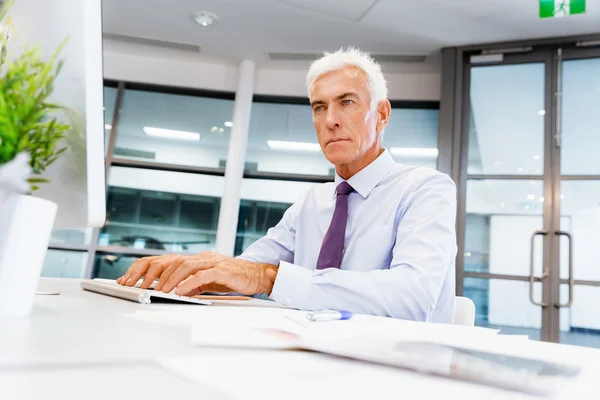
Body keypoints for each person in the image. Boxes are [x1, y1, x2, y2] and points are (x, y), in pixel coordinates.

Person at [117, 47, 457, 323]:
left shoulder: (426, 189)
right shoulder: (313, 201)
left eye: (346, 102)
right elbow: (244, 274)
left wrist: (268, 277)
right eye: (319, 107)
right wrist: (191, 272)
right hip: (306, 362)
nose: (330, 120)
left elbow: (414, 298)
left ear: (382, 114)